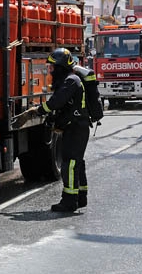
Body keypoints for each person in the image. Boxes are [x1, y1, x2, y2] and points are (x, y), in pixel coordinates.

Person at [26, 48, 90, 212]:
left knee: (69, 163)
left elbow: (56, 102)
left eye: (52, 67)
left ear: (61, 67)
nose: (50, 71)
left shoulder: (71, 81)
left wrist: (39, 110)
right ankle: (80, 197)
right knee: (77, 163)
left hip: (76, 129)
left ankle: (69, 200)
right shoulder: (70, 80)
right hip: (76, 127)